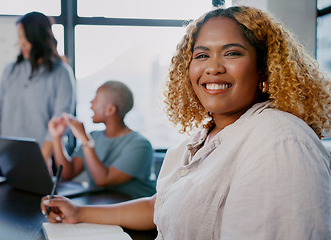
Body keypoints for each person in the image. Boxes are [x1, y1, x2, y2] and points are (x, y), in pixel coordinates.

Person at [41, 6, 331, 239]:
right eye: (202, 55)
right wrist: (79, 213)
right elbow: (160, 207)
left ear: (263, 69)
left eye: (232, 53)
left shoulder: (280, 140)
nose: (213, 67)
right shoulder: (197, 140)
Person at [0, 11, 75, 175]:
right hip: (9, 160)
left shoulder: (61, 73)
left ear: (38, 37)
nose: (21, 43)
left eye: (25, 37)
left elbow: (60, 121)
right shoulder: (10, 71)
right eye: (19, 37)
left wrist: (42, 159)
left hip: (43, 161)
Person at [48, 81, 155, 198]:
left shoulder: (141, 145)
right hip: (102, 205)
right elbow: (68, 172)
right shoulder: (94, 136)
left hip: (132, 211)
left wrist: (85, 140)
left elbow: (103, 179)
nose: (91, 103)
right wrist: (57, 137)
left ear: (110, 110)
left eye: (96, 99)